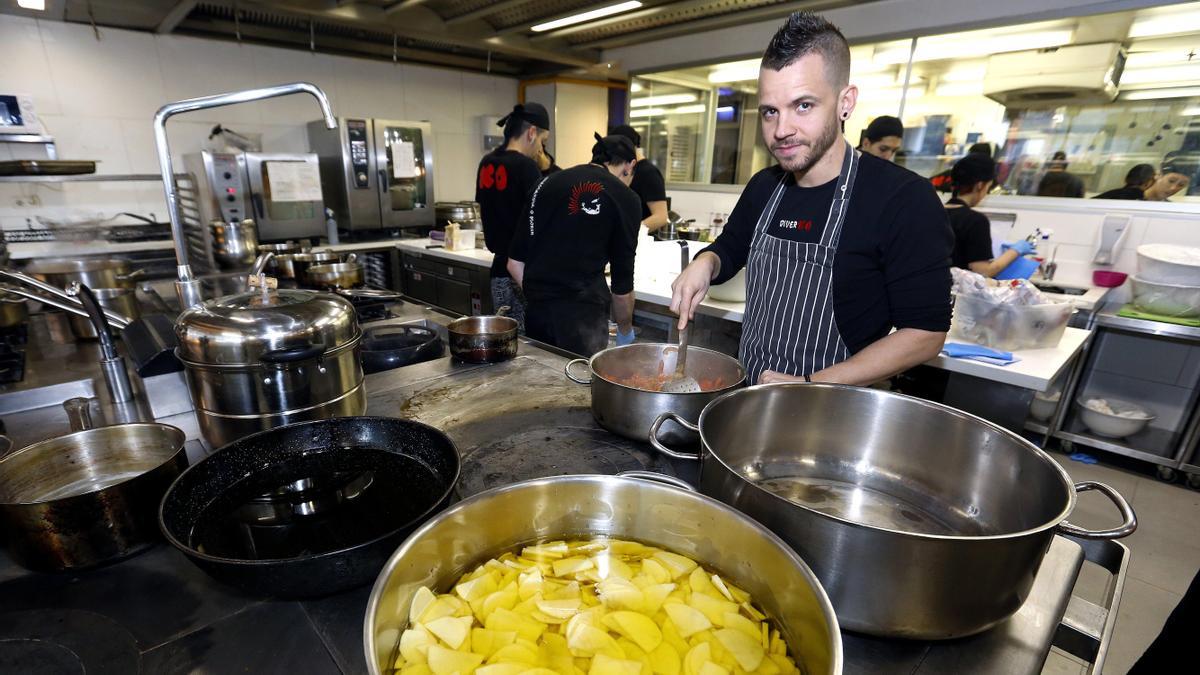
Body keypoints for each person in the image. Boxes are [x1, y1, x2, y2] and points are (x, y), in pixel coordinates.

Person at [670, 11, 953, 386]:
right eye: (771, 111)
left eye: (803, 105)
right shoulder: (765, 187)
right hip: (751, 395)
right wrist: (704, 263)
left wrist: (809, 386)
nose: (782, 130)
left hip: (834, 411)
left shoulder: (903, 199)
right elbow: (730, 247)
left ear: (845, 102)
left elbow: (926, 334)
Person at [507, 133, 641, 357]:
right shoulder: (625, 198)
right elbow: (621, 289)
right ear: (630, 165)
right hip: (584, 325)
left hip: (537, 319)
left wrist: (544, 297)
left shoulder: (545, 183)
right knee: (577, 389)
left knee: (540, 384)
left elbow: (513, 263)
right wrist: (625, 331)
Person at [475, 103, 551, 331]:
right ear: (531, 133)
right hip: (524, 272)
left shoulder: (486, 162)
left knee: (506, 339)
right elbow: (539, 220)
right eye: (542, 141)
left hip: (499, 270)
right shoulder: (526, 167)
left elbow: (486, 207)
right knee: (531, 346)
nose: (540, 149)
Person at [944, 154, 1034, 277]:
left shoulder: (933, 212)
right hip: (957, 293)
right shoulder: (975, 221)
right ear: (980, 185)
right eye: (988, 188)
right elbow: (983, 271)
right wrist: (1015, 251)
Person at [609, 124, 669, 234]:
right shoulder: (625, 168)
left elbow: (661, 217)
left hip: (641, 241)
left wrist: (629, 234)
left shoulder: (649, 173)